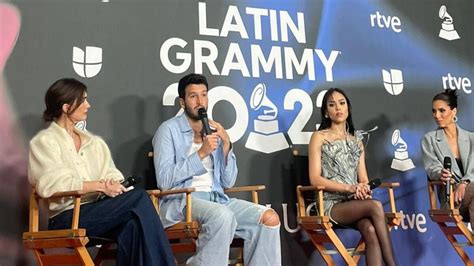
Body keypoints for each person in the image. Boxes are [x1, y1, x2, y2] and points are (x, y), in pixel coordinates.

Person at [28, 78, 175, 266]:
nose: (88, 105)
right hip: (66, 217)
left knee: (132, 226)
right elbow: (50, 185)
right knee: (139, 198)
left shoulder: (94, 143)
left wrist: (112, 184)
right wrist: (99, 186)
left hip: (98, 211)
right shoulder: (45, 142)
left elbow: (112, 173)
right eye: (83, 101)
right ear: (66, 107)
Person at [153, 73, 281, 265]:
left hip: (218, 198)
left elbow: (228, 182)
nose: (200, 101)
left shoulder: (212, 129)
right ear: (182, 102)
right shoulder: (168, 130)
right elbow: (164, 180)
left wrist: (227, 145)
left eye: (204, 95)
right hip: (183, 202)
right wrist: (201, 154)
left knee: (269, 218)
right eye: (193, 96)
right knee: (222, 216)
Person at [308, 88, 396, 266]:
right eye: (332, 105)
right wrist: (349, 188)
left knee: (370, 230)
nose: (338, 108)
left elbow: (363, 179)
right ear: (326, 112)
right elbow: (315, 179)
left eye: (342, 103)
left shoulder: (356, 141)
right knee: (376, 205)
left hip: (353, 203)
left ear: (348, 107)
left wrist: (363, 189)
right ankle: (393, 264)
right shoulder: (319, 137)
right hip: (330, 204)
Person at [421, 89, 474, 217]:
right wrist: (441, 173)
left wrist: (465, 183)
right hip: (451, 197)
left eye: (442, 110)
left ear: (453, 111)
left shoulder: (472, 138)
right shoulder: (430, 139)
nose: (437, 115)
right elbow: (432, 168)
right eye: (434, 111)